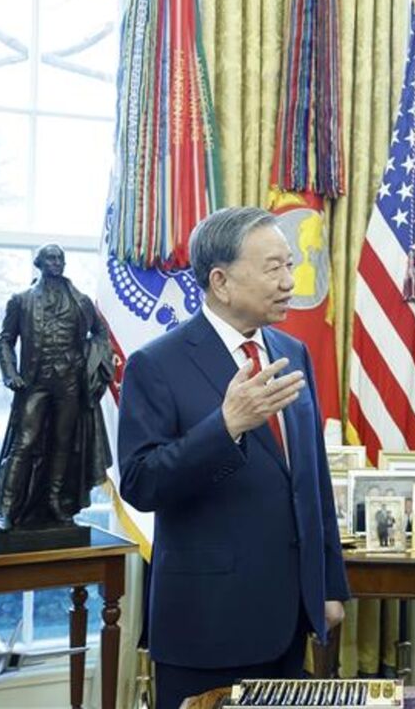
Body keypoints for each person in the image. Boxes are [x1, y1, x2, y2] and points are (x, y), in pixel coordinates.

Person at [117, 207, 349, 709]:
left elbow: (311, 479)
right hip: (208, 625)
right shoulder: (155, 364)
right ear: (220, 281)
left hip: (292, 617)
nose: (289, 281)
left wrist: (329, 585)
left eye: (289, 265)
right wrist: (225, 427)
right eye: (273, 268)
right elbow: (139, 482)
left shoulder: (292, 351)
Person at [0, 244, 113, 542]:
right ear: (39, 263)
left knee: (63, 444)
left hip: (70, 384)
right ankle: (6, 511)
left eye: (61, 258)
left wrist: (92, 362)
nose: (57, 262)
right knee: (23, 444)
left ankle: (55, 503)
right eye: (51, 258)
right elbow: (5, 340)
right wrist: (10, 374)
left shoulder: (81, 301)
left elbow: (101, 333)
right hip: (35, 384)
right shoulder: (21, 300)